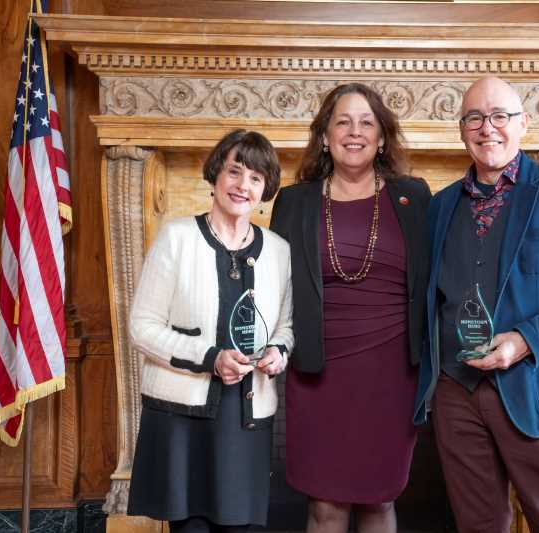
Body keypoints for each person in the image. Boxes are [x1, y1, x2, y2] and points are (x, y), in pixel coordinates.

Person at [413, 76, 539, 533]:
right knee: (478, 525)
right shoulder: (441, 206)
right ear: (462, 128)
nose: (488, 128)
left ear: (523, 123)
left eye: (500, 116)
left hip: (538, 388)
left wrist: (525, 341)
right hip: (457, 393)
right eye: (475, 118)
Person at [270, 83, 430, 533]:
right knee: (325, 505)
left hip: (392, 374)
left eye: (366, 123)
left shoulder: (414, 196)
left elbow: (439, 277)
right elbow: (271, 285)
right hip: (318, 373)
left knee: (379, 500)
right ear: (324, 135)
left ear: (382, 137)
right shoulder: (295, 201)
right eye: (342, 121)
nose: (354, 132)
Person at [127, 129, 294, 533]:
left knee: (244, 526)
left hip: (246, 420)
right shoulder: (177, 238)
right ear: (216, 174)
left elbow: (286, 326)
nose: (243, 186)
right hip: (182, 421)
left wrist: (278, 351)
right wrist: (209, 359)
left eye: (256, 178)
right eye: (235, 172)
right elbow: (142, 327)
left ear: (266, 188)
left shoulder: (278, 250)